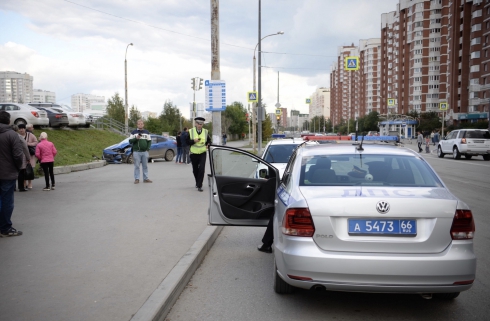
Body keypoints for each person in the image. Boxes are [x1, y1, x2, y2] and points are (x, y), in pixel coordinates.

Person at [0, 111, 25, 237]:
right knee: (6, 201)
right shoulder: (12, 135)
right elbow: (17, 155)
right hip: (7, 173)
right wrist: (18, 167)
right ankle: (5, 228)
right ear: (8, 121)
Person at [187, 117, 211, 192]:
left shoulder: (206, 132)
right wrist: (193, 141)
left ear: (203, 124)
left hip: (202, 153)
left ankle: (199, 185)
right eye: (198, 124)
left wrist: (208, 144)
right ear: (196, 124)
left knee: (201, 169)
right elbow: (187, 141)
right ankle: (197, 181)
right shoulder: (191, 131)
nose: (200, 125)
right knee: (195, 169)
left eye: (201, 124)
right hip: (193, 153)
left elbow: (209, 141)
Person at [129, 119, 152, 184]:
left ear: (143, 124)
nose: (140, 125)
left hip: (145, 152)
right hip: (136, 152)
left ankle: (146, 178)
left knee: (145, 166)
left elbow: (149, 141)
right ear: (137, 125)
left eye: (141, 124)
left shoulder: (146, 132)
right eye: (139, 124)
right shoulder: (133, 132)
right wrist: (136, 138)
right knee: (137, 166)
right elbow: (130, 141)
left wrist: (148, 148)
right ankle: (137, 179)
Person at [12, 125, 30, 192]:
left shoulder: (7, 136)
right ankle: (21, 187)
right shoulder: (19, 137)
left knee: (12, 172)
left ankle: (13, 187)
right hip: (20, 156)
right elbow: (25, 147)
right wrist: (28, 157)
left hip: (10, 157)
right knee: (21, 172)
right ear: (17, 130)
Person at [20, 123, 38, 189]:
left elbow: (36, 142)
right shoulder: (18, 136)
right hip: (22, 155)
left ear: (25, 129)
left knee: (30, 169)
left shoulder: (30, 135)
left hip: (30, 154)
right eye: (20, 129)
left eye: (22, 128)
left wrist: (28, 144)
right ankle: (24, 183)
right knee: (23, 169)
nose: (21, 130)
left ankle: (30, 183)